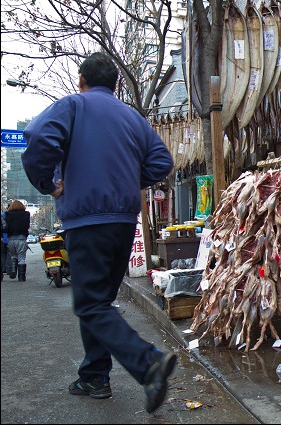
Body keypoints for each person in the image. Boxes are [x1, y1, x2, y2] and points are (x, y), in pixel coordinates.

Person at [21, 52, 175, 414]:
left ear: (81, 80)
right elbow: (161, 162)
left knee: (89, 303)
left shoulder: (73, 105)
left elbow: (39, 140)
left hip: (87, 219)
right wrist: (125, 183)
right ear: (117, 84)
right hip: (123, 221)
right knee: (98, 304)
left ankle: (148, 361)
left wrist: (49, 183)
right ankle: (95, 375)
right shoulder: (133, 117)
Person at [4, 200, 31, 281]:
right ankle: (22, 277)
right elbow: (27, 226)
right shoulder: (26, 214)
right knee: (21, 258)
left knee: (13, 256)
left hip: (11, 239)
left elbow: (5, 227)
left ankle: (13, 270)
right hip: (21, 238)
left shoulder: (7, 215)